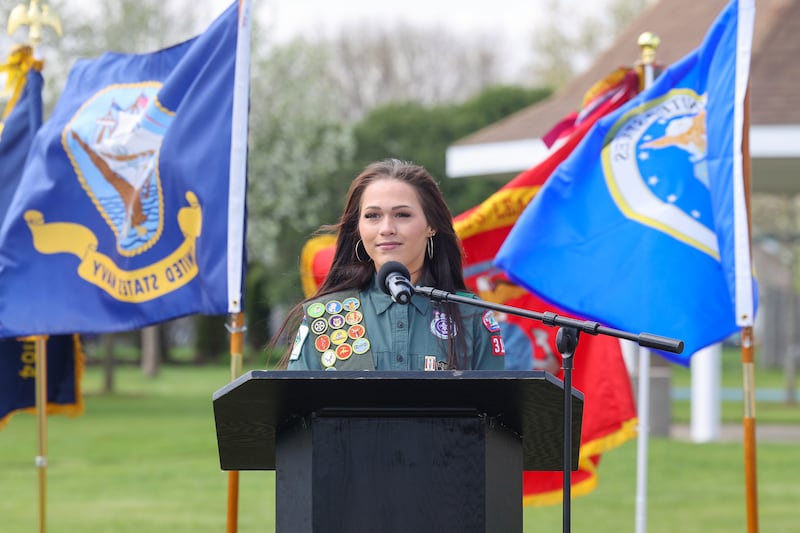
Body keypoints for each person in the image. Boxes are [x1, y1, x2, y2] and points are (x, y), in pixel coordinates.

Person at [274, 158, 506, 371]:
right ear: (358, 228)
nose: (386, 229)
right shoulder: (325, 317)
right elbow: (297, 411)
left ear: (431, 226)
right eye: (372, 216)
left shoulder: (470, 314)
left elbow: (495, 411)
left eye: (402, 215)